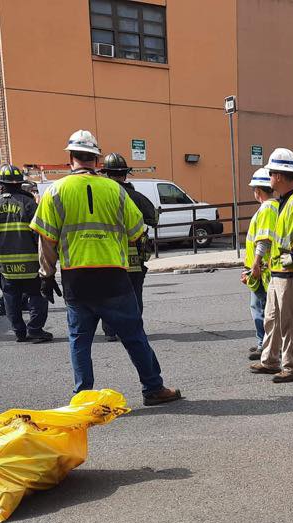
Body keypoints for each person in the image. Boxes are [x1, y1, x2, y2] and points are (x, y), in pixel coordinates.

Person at [30, 129, 181, 405]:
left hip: (76, 278)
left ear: (70, 158)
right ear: (97, 160)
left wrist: (46, 275)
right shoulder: (115, 190)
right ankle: (153, 388)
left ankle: (83, 397)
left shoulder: (55, 191)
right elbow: (137, 232)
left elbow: (47, 240)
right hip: (113, 277)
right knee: (134, 336)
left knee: (80, 340)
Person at [248, 147, 293, 384]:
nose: (269, 178)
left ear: (279, 176)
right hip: (279, 271)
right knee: (273, 318)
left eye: (271, 173)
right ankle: (270, 360)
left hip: (290, 272)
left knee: (290, 321)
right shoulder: (285, 202)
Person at [0, 164, 53, 343]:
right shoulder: (29, 204)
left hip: (5, 266)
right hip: (31, 263)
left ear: (0, 184)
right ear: (20, 183)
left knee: (11, 297)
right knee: (37, 295)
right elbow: (40, 234)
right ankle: (35, 330)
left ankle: (19, 332)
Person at [101, 153, 158, 344]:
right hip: (134, 258)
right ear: (125, 174)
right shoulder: (136, 196)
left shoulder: (100, 197)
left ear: (106, 173)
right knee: (134, 295)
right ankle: (133, 329)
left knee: (108, 295)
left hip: (108, 257)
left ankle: (110, 331)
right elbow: (154, 219)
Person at [241, 168, 277, 361]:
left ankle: (264, 344)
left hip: (262, 269)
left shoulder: (267, 209)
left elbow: (263, 240)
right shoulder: (273, 207)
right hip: (263, 268)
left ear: (258, 190)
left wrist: (254, 264)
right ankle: (264, 342)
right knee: (265, 307)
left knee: (260, 307)